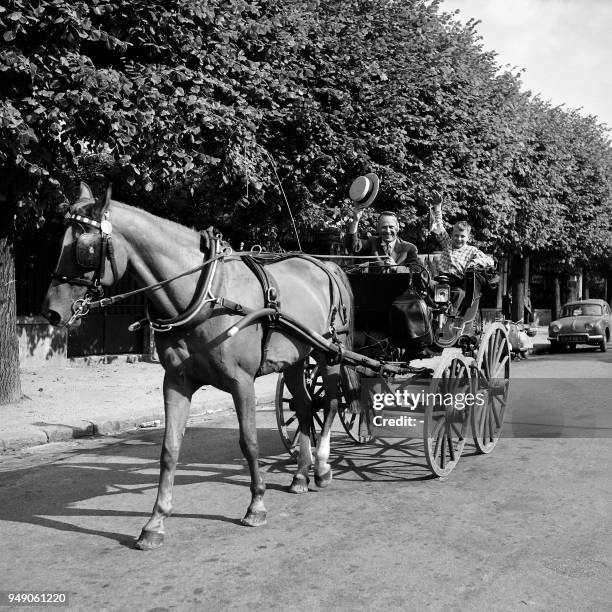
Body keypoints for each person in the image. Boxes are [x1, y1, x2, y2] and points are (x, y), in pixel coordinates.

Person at [430, 194, 494, 312]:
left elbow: (490, 261)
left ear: (468, 237)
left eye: (462, 236)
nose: (458, 239)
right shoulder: (447, 243)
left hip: (457, 282)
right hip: (441, 280)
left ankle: (450, 320)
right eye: (456, 236)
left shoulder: (472, 250)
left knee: (459, 294)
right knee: (425, 288)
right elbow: (438, 225)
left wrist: (474, 263)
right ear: (452, 235)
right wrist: (437, 207)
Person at [344, 174, 419, 273]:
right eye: (384, 227)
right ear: (378, 228)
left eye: (391, 227)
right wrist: (356, 220)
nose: (388, 231)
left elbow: (416, 273)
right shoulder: (371, 243)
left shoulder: (409, 248)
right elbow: (352, 247)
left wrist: (396, 268)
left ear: (397, 228)